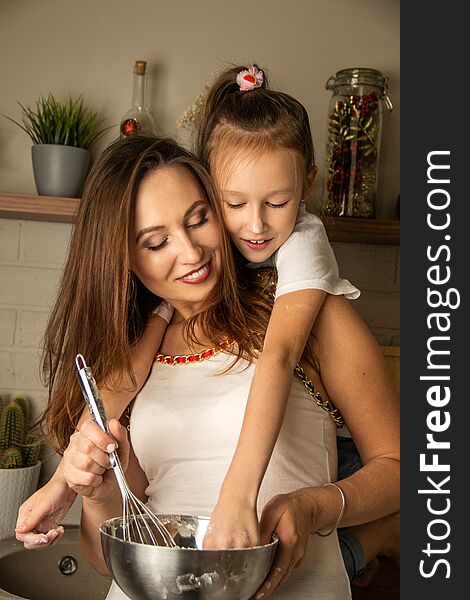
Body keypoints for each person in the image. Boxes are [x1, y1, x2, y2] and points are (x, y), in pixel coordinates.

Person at [23, 135, 399, 600]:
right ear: (124, 260)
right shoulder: (127, 366)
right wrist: (97, 495)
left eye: (199, 219)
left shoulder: (307, 315)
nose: (192, 252)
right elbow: (108, 565)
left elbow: (402, 466)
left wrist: (313, 507)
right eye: (156, 242)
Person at [192, 63, 361, 553]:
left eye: (278, 202)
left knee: (323, 545)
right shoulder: (200, 237)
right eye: (235, 204)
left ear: (307, 184)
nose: (257, 226)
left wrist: (236, 496)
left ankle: (374, 541)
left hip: (335, 439)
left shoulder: (305, 240)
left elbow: (281, 354)